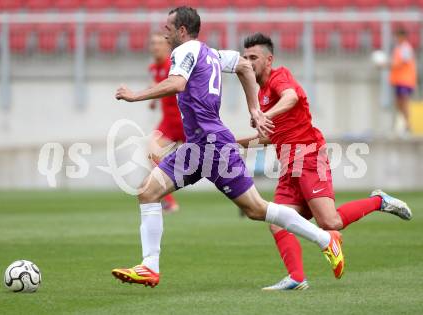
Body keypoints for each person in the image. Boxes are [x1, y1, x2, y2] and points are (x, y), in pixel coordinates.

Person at [111, 7, 345, 288]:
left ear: (182, 31)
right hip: (198, 146)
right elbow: (244, 67)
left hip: (213, 144)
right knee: (148, 192)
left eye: (169, 28)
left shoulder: (184, 52)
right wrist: (255, 110)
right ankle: (149, 266)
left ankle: (325, 239)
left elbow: (177, 83)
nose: (164, 32)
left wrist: (136, 95)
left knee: (257, 209)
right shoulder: (211, 54)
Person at [237, 33, 413, 290]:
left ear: (268, 59)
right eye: (245, 57)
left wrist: (264, 114)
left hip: (308, 156)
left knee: (330, 223)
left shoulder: (279, 76)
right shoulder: (259, 93)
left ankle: (380, 201)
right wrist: (232, 143)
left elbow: (291, 98)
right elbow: (268, 136)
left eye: (254, 57)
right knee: (277, 223)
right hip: (289, 165)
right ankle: (297, 278)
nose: (248, 62)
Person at [147, 32, 186, 212]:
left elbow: (175, 86)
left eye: (159, 43)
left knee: (214, 162)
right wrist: (153, 100)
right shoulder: (154, 68)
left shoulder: (173, 66)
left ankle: (243, 193)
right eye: (153, 43)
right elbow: (157, 85)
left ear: (167, 47)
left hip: (185, 122)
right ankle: (168, 201)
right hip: (169, 123)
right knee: (152, 152)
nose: (155, 47)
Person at [389, 27, 417, 135]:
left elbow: (402, 62)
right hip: (399, 80)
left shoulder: (406, 48)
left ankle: (408, 125)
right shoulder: (399, 48)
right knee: (398, 103)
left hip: (406, 80)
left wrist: (386, 64)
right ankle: (403, 123)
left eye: (398, 36)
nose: (396, 38)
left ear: (402, 36)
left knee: (404, 102)